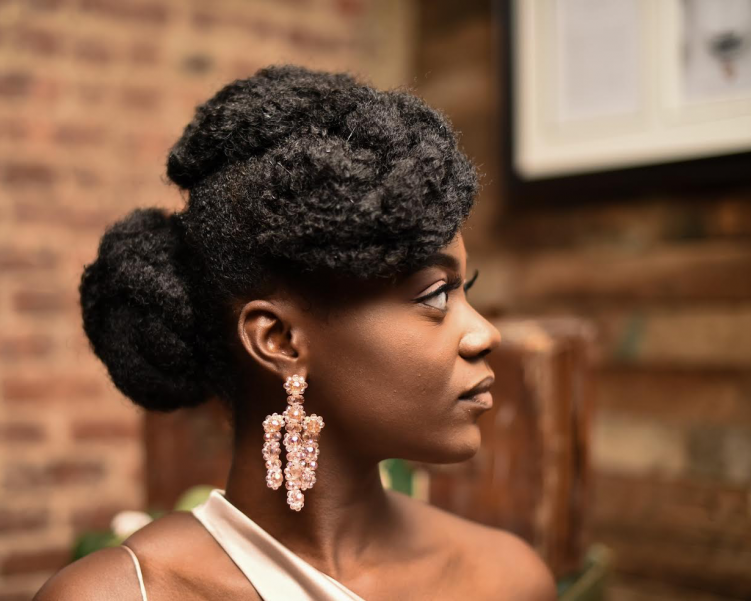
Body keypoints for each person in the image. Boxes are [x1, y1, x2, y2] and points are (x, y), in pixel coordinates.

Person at [34, 64, 556, 600]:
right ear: (279, 340)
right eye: (434, 295)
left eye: (464, 288)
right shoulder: (120, 596)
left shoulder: (508, 580)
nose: (486, 334)